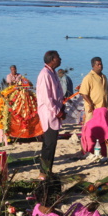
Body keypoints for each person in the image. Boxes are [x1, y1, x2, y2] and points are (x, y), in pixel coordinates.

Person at [36, 50, 65, 179]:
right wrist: (57, 111)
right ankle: (44, 171)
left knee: (52, 143)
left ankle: (48, 169)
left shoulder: (52, 73)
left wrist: (62, 107)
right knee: (49, 144)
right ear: (52, 59)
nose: (60, 59)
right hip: (49, 113)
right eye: (58, 58)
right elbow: (47, 98)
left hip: (54, 112)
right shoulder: (45, 74)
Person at [79, 57, 108, 121]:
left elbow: (105, 92)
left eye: (101, 64)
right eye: (98, 65)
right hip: (93, 108)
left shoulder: (104, 77)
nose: (100, 66)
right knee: (91, 126)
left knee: (102, 125)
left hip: (102, 107)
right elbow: (83, 93)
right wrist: (90, 104)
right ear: (93, 66)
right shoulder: (88, 77)